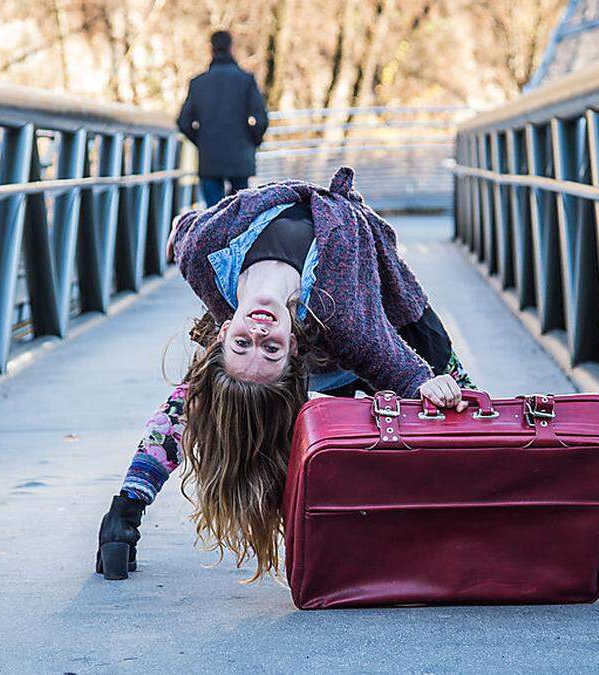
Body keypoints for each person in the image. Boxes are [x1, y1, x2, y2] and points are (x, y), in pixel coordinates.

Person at [95, 168, 476, 582]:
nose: (257, 332)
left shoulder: (201, 253)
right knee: (450, 382)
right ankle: (125, 512)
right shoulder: (345, 318)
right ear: (288, 345)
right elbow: (397, 365)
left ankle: (121, 515)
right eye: (268, 345)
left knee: (209, 388)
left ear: (225, 332)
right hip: (359, 330)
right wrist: (426, 381)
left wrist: (182, 225)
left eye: (243, 342)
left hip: (353, 331)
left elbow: (188, 228)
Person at [176, 30, 269, 207]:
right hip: (240, 159)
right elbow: (261, 119)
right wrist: (252, 141)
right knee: (242, 214)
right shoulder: (246, 80)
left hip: (210, 159)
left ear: (211, 49)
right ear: (231, 48)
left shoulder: (198, 83)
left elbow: (183, 121)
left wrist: (201, 141)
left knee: (214, 214)